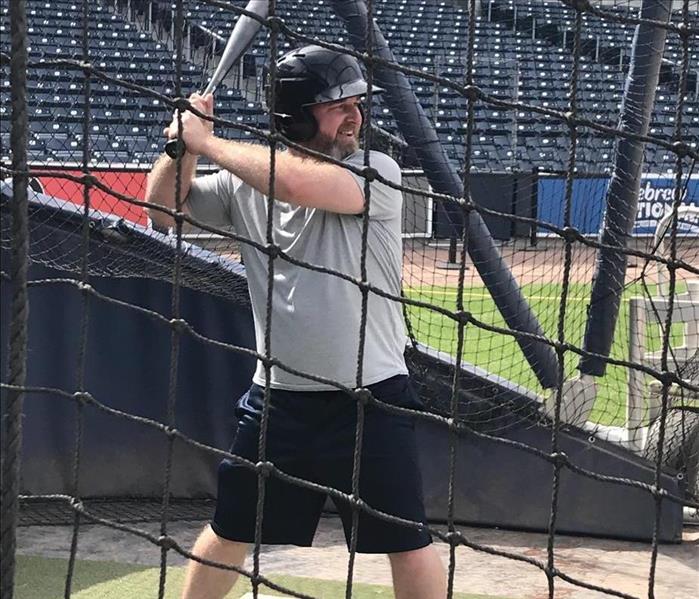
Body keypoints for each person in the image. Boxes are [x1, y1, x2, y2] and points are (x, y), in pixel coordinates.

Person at [145, 45, 446, 599]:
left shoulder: (376, 170)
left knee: (407, 539)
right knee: (230, 527)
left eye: (357, 102)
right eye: (337, 106)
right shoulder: (243, 186)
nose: (354, 115)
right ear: (296, 114)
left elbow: (295, 184)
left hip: (370, 399)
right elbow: (162, 210)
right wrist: (180, 144)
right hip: (278, 399)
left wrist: (206, 141)